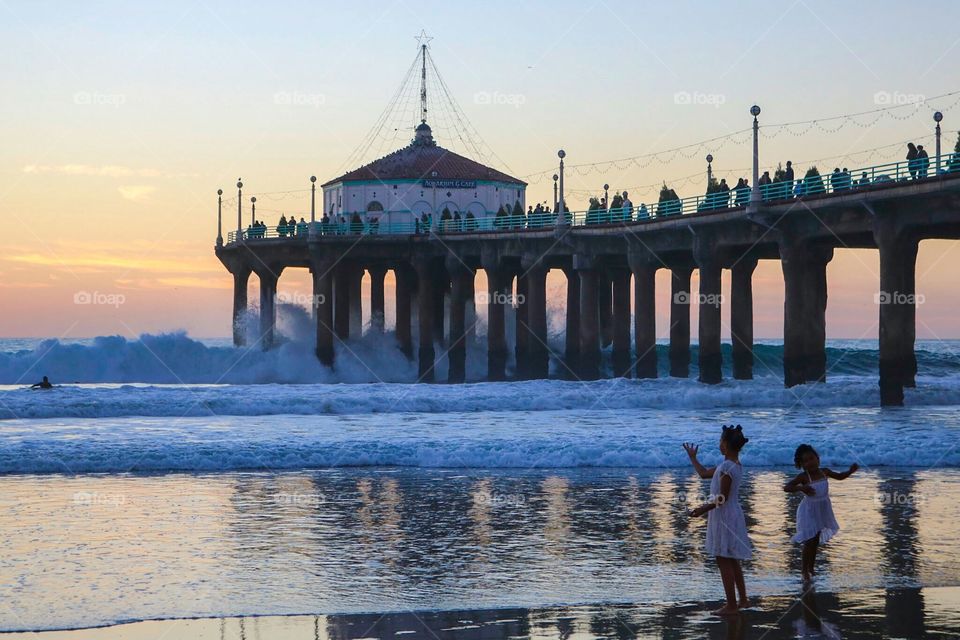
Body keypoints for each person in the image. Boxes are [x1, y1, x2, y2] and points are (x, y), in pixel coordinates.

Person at [684, 425, 752, 616]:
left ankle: (731, 604)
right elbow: (704, 474)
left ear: (726, 444)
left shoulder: (726, 467)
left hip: (724, 516)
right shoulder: (733, 465)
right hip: (731, 514)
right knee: (732, 558)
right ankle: (743, 600)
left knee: (723, 559)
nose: (719, 444)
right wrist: (693, 458)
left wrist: (701, 509)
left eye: (720, 441)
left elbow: (721, 498)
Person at [783, 444, 859, 583]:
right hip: (809, 511)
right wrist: (802, 488)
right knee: (809, 541)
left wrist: (850, 471)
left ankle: (811, 568)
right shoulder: (804, 477)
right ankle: (804, 570)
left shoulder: (825, 472)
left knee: (816, 540)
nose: (810, 462)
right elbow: (787, 487)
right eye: (805, 461)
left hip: (823, 509)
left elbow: (840, 476)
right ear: (802, 465)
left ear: (817, 458)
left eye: (812, 458)